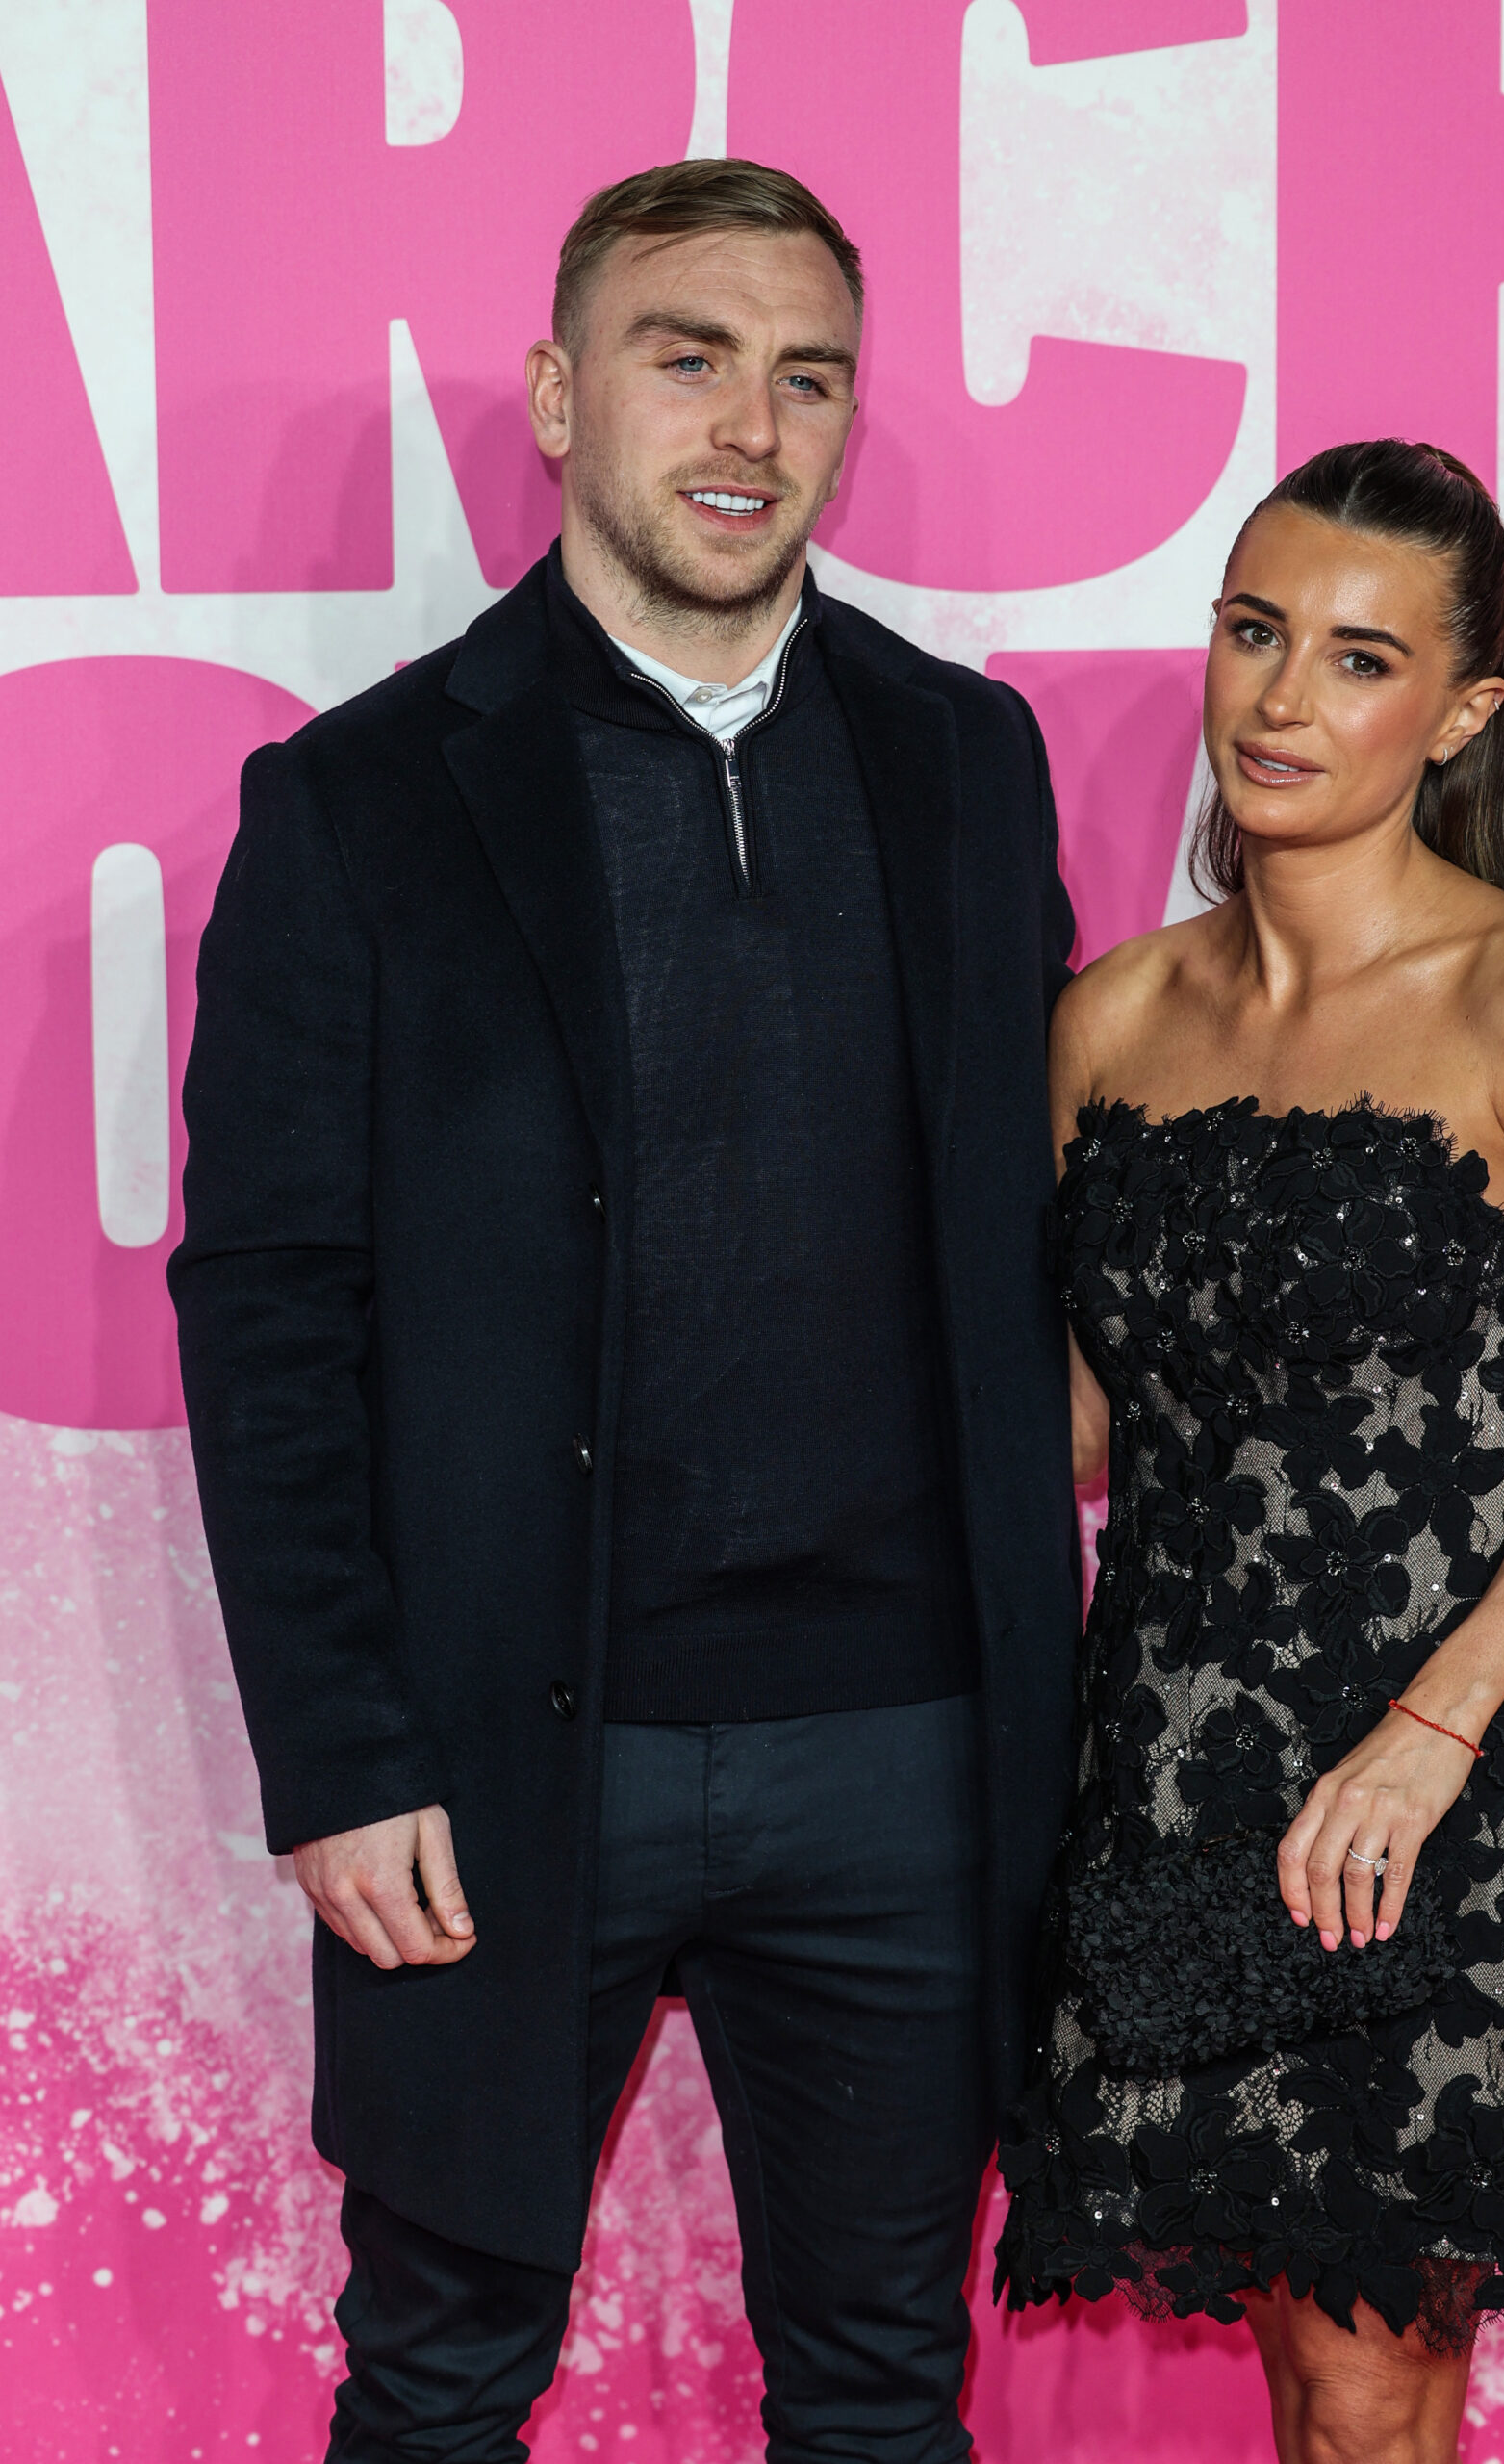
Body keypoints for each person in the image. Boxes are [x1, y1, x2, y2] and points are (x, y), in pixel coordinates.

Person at [170, 158, 1081, 2464]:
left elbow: (1053, 1216)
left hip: (905, 1743)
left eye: (806, 374)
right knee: (444, 2380)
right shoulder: (361, 801)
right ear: (568, 395)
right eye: (689, 356)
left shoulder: (966, 764)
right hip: (493, 1751)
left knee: (883, 2385)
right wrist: (343, 1750)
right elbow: (270, 1305)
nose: (748, 425)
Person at [995, 440, 1504, 2464]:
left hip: (1432, 1792)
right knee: (1304, 2369)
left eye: (1360, 656)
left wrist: (1432, 1723)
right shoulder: (1110, 1020)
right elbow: (1072, 1425)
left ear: (1462, 712)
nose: (1283, 698)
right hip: (1174, 1784)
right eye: (1253, 630)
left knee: (1379, 2390)